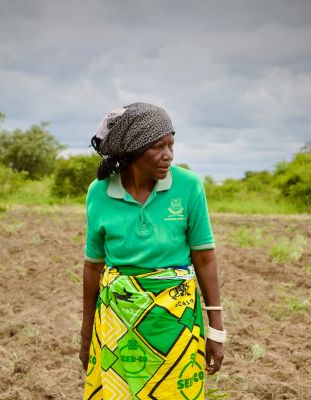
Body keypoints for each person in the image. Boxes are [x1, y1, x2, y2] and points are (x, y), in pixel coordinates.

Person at [79, 102, 225, 399]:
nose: (168, 155)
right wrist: (86, 333)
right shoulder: (100, 192)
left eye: (171, 145)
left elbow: (205, 258)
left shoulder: (188, 186)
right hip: (117, 319)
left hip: (175, 320)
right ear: (133, 150)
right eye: (158, 147)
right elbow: (93, 266)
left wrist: (216, 330)